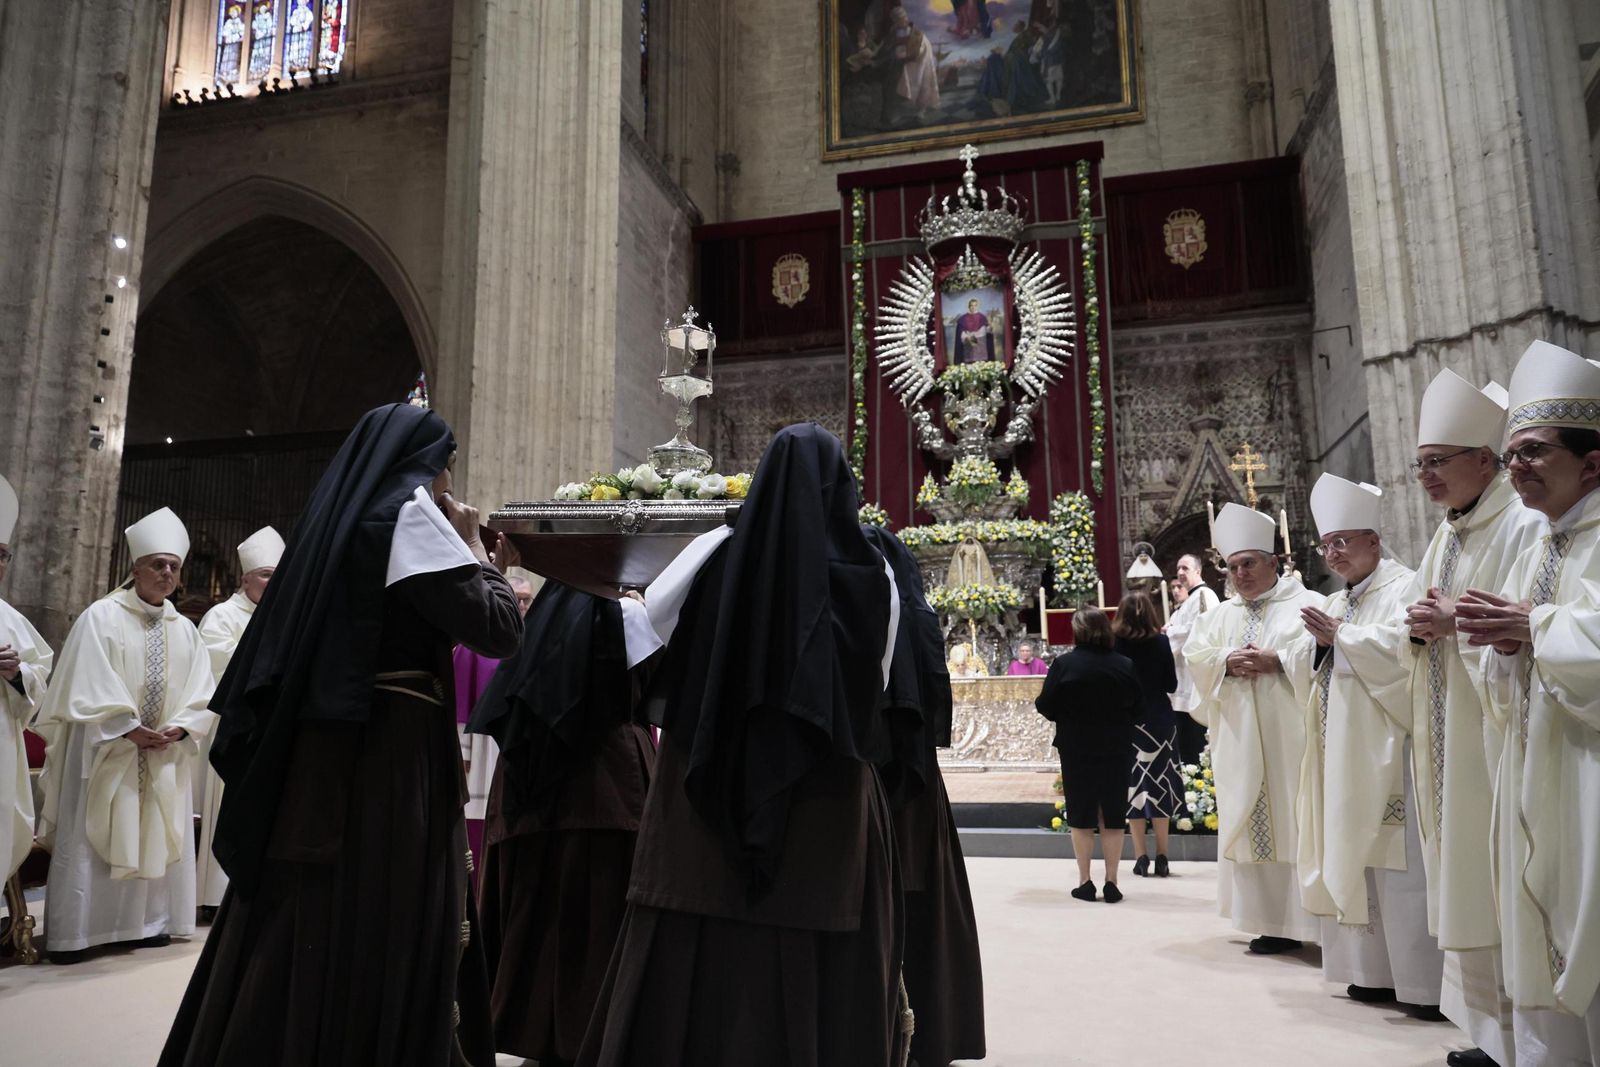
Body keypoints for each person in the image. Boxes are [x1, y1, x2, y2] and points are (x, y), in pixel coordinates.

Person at [158, 403, 523, 1067]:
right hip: (388, 756)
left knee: (316, 918)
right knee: (381, 915)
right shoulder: (410, 516)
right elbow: (499, 626)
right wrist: (475, 550)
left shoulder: (343, 519)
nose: (448, 481)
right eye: (446, 464)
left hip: (328, 751)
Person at [578, 423, 903, 1067]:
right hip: (824, 795)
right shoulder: (875, 573)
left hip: (708, 775)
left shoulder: (714, 548)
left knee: (702, 941)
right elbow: (883, 673)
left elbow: (651, 619)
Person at [1398, 367, 1545, 1067]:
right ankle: (1491, 1032)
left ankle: (1521, 1035)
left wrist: (1456, 621)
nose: (1425, 476)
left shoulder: (1518, 523)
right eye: (1420, 464)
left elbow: (1522, 618)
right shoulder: (1450, 531)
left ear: (1483, 460)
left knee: (1496, 879)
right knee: (1465, 878)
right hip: (1451, 730)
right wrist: (1424, 626)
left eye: (1436, 463)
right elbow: (1434, 614)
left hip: (1492, 734)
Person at [1459, 340, 1600, 1064]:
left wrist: (1533, 627)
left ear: (1593, 463)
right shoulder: (1537, 544)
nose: (1516, 466)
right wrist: (1506, 647)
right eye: (1511, 453)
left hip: (1588, 774)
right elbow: (1508, 648)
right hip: (1536, 763)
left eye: (1535, 451)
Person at [469, 581, 660, 1067]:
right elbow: (657, 684)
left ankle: (536, 1034)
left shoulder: (541, 622)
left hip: (537, 790)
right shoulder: (629, 615)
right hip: (609, 783)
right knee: (595, 919)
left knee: (543, 912)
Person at [34, 507, 217, 963]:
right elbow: (86, 680)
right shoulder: (101, 617)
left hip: (161, 753)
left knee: (155, 828)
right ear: (134, 568)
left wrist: (181, 727)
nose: (167, 573)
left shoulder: (186, 630)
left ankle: (146, 924)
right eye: (158, 564)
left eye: (174, 566)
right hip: (106, 750)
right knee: (93, 834)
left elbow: (203, 690)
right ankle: (79, 933)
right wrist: (127, 728)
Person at [1292, 474, 1444, 1019]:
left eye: (1342, 542)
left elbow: (1411, 652)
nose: (1332, 554)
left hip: (1390, 753)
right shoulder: (1339, 599)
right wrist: (1319, 649)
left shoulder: (1404, 586)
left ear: (1374, 542)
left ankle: (1423, 985)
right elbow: (1313, 666)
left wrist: (1342, 639)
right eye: (1325, 545)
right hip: (1343, 750)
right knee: (1355, 854)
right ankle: (1370, 973)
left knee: (1396, 863)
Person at [864, 524, 986, 1067]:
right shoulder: (915, 613)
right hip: (914, 783)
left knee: (896, 900)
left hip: (886, 778)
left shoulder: (874, 607)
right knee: (919, 903)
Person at [1183, 503, 1323, 953]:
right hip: (1241, 739)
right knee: (1254, 818)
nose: (1240, 574)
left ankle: (1311, 923)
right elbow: (1197, 655)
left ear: (1274, 563)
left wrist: (1278, 660)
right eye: (1233, 566)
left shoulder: (1309, 605)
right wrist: (1226, 660)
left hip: (1292, 738)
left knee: (1297, 819)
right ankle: (1269, 923)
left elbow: (1324, 654)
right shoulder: (1220, 614)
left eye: (1249, 564)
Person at [194, 525, 284, 920]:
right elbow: (219, 665)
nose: (272, 582)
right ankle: (216, 896)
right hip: (235, 728)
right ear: (244, 578)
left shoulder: (282, 618)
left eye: (277, 575)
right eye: (265, 574)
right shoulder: (221, 616)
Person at [1035, 606, 1140, 902]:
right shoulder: (1124, 664)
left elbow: (1045, 704)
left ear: (1078, 631)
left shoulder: (1065, 664)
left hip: (1076, 745)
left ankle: (1085, 881)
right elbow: (1139, 707)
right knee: (1113, 813)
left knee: (1081, 812)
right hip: (1116, 746)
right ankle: (1112, 881)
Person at [454, 573, 535, 870]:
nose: (523, 607)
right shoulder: (475, 647)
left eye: (528, 600)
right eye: (518, 600)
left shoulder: (535, 645)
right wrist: (462, 759)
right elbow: (461, 711)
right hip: (480, 770)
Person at [0, 474, 51, 893]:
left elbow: (42, 677)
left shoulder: (12, 619)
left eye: (2, 555)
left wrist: (18, 674)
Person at [1113, 591, 1180, 878]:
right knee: (1160, 785)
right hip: (1160, 721)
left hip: (1128, 721)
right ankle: (1163, 855)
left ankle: (1140, 856)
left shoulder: (1114, 643)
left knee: (1134, 788)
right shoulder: (1161, 641)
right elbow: (1171, 683)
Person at [1166, 552, 1218, 763]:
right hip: (1182, 681)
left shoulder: (1204, 596)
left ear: (1198, 570)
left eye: (1185, 568)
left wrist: (1169, 632)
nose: (1180, 573)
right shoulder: (1188, 601)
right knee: (1184, 743)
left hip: (1196, 682)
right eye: (1178, 568)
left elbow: (1197, 633)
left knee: (1195, 743)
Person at [952, 297, 996, 365]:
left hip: (980, 345)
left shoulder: (982, 317)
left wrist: (990, 327)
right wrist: (967, 336)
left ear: (977, 306)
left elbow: (985, 330)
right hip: (968, 346)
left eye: (975, 305)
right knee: (969, 363)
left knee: (981, 364)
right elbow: (961, 332)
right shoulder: (963, 318)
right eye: (971, 305)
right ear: (969, 306)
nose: (973, 307)